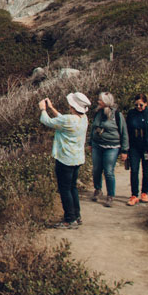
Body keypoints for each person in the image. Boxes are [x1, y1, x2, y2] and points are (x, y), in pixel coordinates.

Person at [38, 91, 91, 229]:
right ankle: (76, 215)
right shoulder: (84, 118)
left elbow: (47, 121)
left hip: (65, 159)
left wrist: (43, 109)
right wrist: (52, 108)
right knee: (72, 187)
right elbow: (63, 120)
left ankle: (69, 219)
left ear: (73, 106)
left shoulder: (69, 120)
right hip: (77, 159)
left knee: (64, 189)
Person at [89, 92, 128, 207]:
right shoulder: (98, 113)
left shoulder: (117, 115)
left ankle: (110, 195)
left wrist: (124, 150)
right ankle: (98, 189)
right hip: (97, 145)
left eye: (100, 100)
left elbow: (124, 132)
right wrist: (90, 142)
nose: (98, 102)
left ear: (106, 102)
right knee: (96, 169)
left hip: (112, 147)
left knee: (109, 171)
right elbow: (93, 128)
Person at [125, 92, 148, 206]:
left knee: (146, 171)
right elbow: (126, 132)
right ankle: (134, 195)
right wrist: (125, 149)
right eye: (136, 105)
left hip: (147, 148)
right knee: (134, 170)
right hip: (134, 147)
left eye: (141, 105)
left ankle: (144, 192)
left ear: (146, 103)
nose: (139, 107)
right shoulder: (131, 114)